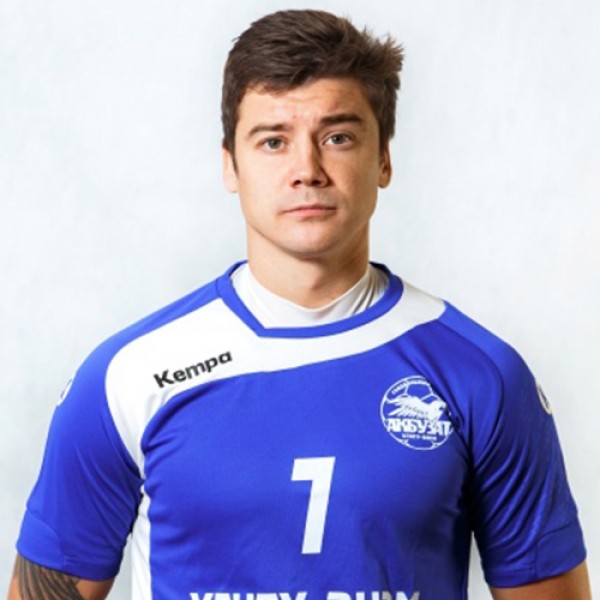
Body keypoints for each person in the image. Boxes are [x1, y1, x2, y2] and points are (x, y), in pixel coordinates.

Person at [7, 9, 591, 600]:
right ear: (230, 164)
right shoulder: (128, 377)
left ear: (383, 159)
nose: (306, 170)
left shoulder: (481, 376)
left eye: (338, 137)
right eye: (273, 141)